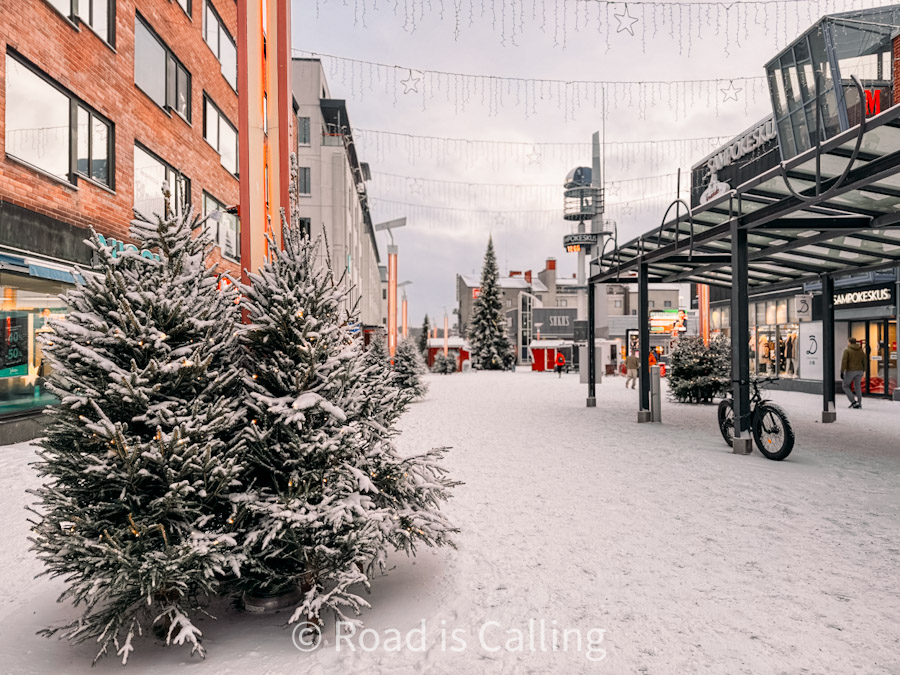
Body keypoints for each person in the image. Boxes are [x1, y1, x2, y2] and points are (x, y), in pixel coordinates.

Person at [840, 336, 867, 409]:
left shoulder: (847, 350)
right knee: (857, 387)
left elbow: (844, 361)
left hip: (851, 371)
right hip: (860, 371)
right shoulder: (860, 350)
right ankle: (859, 402)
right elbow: (864, 360)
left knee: (845, 385)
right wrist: (864, 370)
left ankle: (853, 401)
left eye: (848, 341)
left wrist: (842, 371)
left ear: (850, 342)